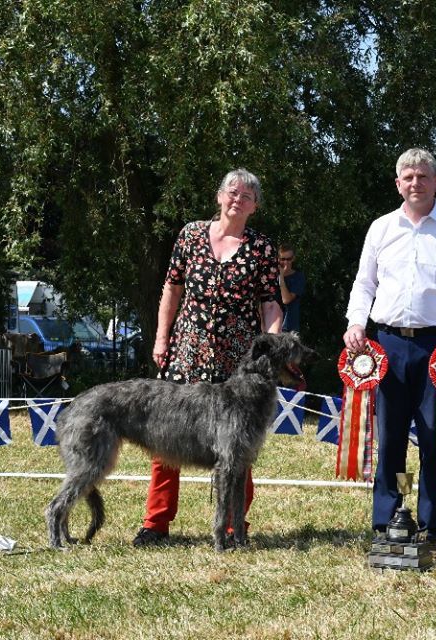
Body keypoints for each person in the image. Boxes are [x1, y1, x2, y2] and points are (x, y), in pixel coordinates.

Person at [343, 148, 436, 558]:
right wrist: (356, 322)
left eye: (423, 176)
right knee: (390, 440)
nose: (415, 183)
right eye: (408, 177)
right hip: (386, 345)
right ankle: (388, 522)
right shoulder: (380, 229)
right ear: (397, 183)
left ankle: (430, 529)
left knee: (433, 439)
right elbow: (364, 285)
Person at [133, 168, 282, 547]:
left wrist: (273, 344)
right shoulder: (191, 234)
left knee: (239, 444)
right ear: (219, 197)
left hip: (239, 361)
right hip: (187, 350)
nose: (238, 199)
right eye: (232, 192)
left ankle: (234, 525)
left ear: (255, 206)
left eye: (247, 196)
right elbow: (172, 288)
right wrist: (161, 337)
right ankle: (156, 522)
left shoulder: (262, 248)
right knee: (167, 436)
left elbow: (270, 303)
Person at [277, 244, 305, 332]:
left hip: (289, 329)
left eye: (289, 259)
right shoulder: (270, 276)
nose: (286, 262)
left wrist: (281, 277)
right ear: (278, 259)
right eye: (283, 259)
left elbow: (286, 299)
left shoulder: (298, 277)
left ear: (293, 258)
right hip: (272, 326)